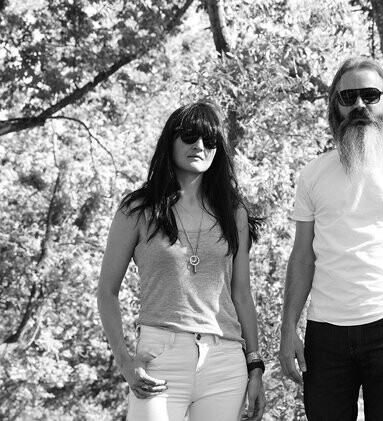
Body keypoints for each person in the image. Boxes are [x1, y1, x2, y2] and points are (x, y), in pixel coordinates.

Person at [279, 57, 383, 420]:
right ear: (335, 107)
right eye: (348, 97)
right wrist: (288, 328)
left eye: (370, 95)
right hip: (325, 333)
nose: (359, 104)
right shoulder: (313, 174)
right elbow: (302, 257)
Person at [97, 101, 265, 421]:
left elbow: (241, 293)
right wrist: (125, 362)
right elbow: (107, 291)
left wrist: (255, 365)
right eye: (189, 136)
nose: (199, 145)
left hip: (225, 361)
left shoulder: (234, 213)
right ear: (170, 141)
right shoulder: (137, 210)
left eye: (209, 140)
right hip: (160, 357)